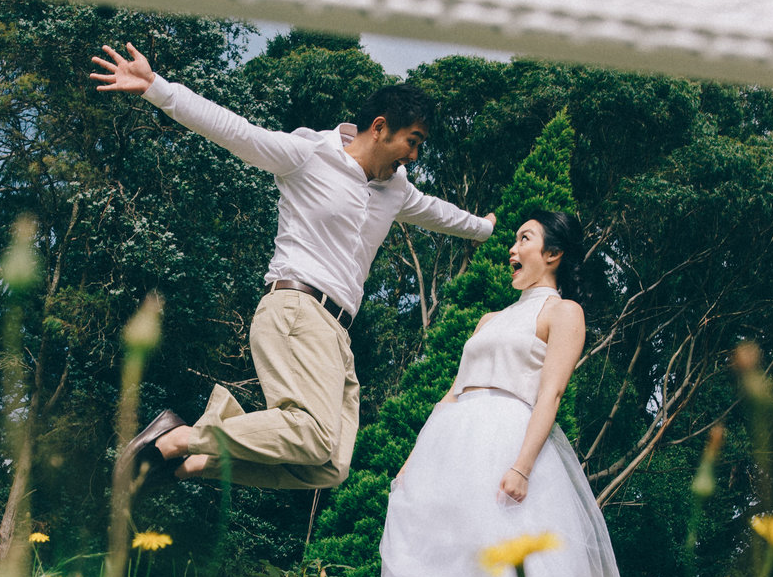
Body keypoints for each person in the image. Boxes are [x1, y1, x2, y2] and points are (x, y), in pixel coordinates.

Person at [88, 41, 492, 489]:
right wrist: (156, 88)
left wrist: (487, 229)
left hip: (338, 333)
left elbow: (444, 215)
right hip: (297, 309)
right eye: (411, 142)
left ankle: (189, 465)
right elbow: (233, 129)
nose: (413, 157)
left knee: (326, 467)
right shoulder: (307, 155)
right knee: (313, 433)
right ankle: (180, 438)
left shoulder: (397, 191)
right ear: (380, 128)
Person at [376, 210, 646, 577]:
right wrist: (411, 462)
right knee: (441, 569)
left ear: (553, 254)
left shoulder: (563, 312)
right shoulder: (489, 320)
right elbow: (452, 390)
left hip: (507, 439)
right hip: (450, 444)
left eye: (525, 238)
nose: (512, 248)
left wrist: (521, 465)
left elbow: (550, 393)